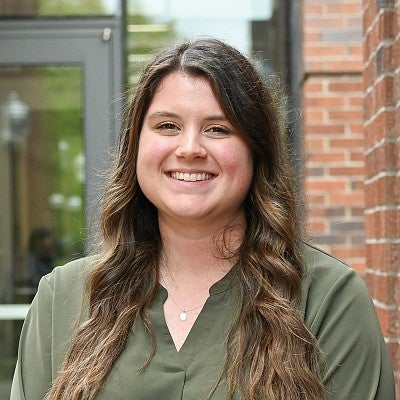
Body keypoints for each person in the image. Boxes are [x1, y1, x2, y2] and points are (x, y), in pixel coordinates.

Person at [11, 38, 395, 400]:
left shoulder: (327, 298)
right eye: (167, 126)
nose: (190, 148)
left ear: (255, 152)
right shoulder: (63, 299)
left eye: (218, 129)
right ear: (135, 148)